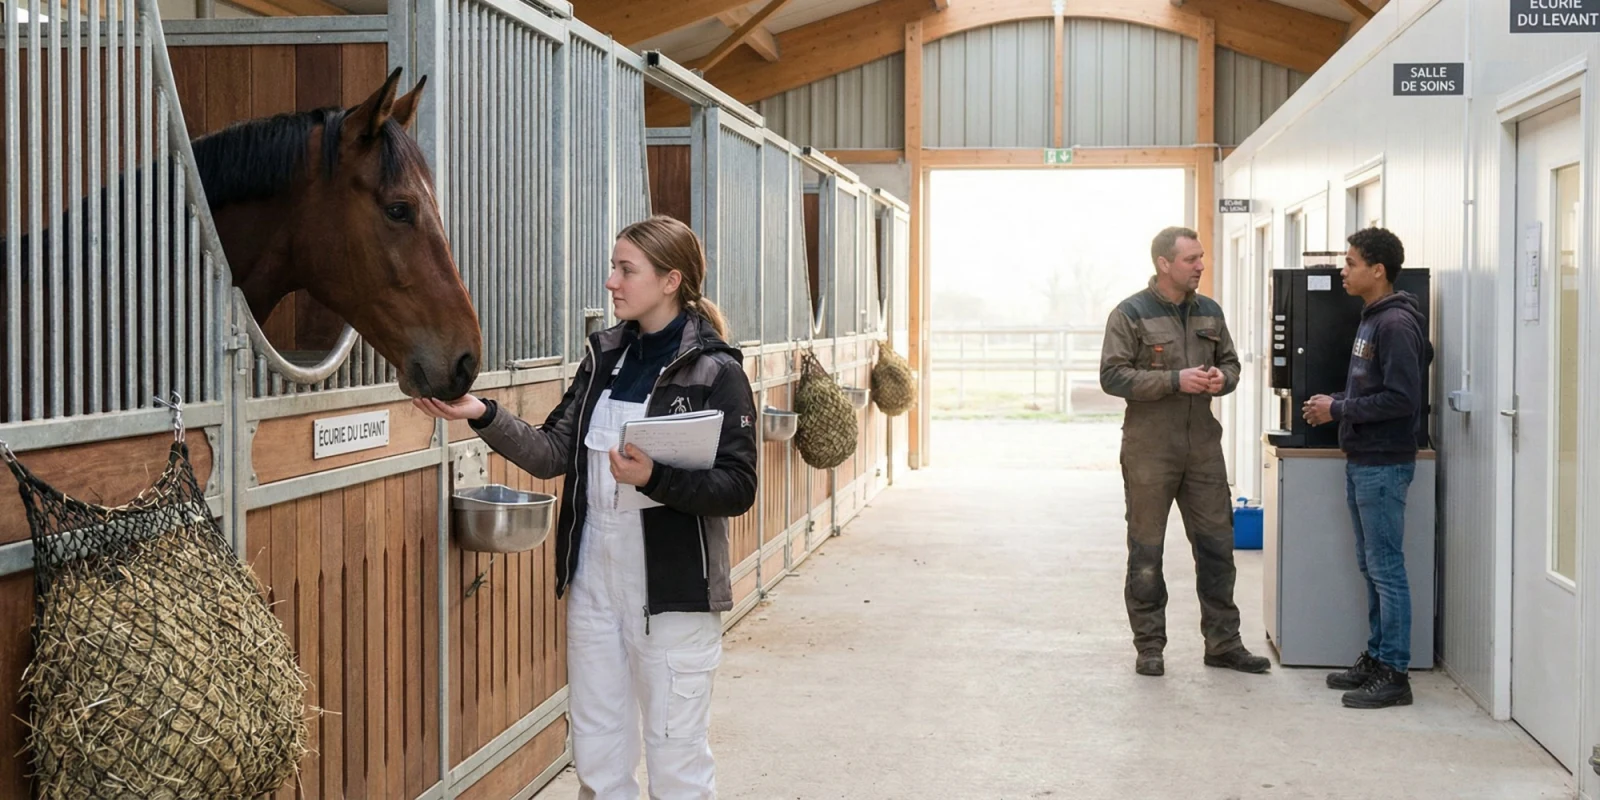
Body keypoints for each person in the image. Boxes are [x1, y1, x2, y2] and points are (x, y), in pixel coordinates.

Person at [415, 215, 758, 798]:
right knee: (597, 754)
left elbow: (739, 486)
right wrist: (482, 413)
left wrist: (657, 478)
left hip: (674, 597)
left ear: (671, 280)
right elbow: (553, 452)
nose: (611, 282)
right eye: (614, 267)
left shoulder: (716, 372)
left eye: (627, 270)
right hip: (595, 588)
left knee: (676, 761)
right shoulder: (604, 360)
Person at [1099, 226, 1272, 678]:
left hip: (1203, 450)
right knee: (1146, 552)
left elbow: (1231, 362)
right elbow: (1113, 377)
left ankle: (1223, 643)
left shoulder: (1209, 312)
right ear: (1164, 263)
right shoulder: (1130, 314)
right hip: (1149, 451)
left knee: (1218, 548)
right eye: (1191, 259)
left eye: (1200, 258)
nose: (1200, 266)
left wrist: (1223, 380)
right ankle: (1150, 647)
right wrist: (1175, 380)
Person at [1303, 227, 1431, 710]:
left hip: (1384, 463)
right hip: (1364, 459)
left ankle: (1395, 673)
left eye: (1352, 262)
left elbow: (1402, 398)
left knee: (1386, 569)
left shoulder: (1394, 324)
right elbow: (1372, 389)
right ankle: (1377, 658)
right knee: (1372, 566)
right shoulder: (1373, 319)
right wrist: (1336, 402)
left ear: (1378, 270)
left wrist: (1338, 411)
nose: (1344, 269)